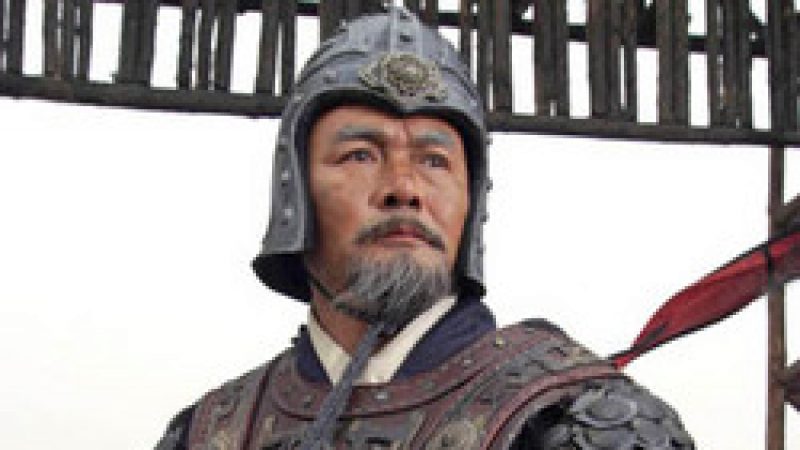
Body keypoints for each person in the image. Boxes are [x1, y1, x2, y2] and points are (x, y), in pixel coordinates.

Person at [156, 7, 694, 450]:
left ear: (470, 200)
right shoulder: (213, 433)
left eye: (434, 161)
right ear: (297, 192)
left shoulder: (574, 424)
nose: (404, 188)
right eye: (360, 155)